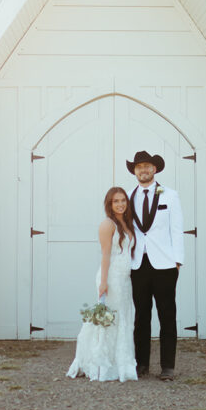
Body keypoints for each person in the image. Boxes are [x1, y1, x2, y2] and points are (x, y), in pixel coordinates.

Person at [66, 186, 139, 382]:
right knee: (109, 320)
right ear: (109, 204)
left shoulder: (126, 222)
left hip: (124, 279)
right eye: (116, 201)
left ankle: (120, 361)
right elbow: (106, 254)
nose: (120, 204)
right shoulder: (107, 224)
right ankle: (100, 363)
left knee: (122, 318)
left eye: (123, 200)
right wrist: (104, 282)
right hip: (111, 277)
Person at [127, 150, 183, 381]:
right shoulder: (129, 196)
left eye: (147, 166)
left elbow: (177, 229)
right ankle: (141, 365)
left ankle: (167, 367)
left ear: (155, 169)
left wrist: (178, 261)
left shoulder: (170, 195)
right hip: (138, 264)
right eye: (139, 167)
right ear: (135, 171)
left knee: (167, 315)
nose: (143, 170)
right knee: (141, 316)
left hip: (165, 265)